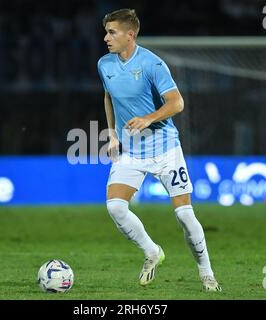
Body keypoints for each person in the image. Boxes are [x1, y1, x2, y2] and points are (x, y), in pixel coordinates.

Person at [97, 9, 221, 291]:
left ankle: (207, 273)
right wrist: (113, 133)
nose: (106, 38)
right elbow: (107, 96)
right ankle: (152, 251)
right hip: (131, 151)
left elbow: (177, 103)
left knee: (185, 216)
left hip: (166, 150)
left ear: (130, 35)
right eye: (106, 32)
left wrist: (148, 118)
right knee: (116, 207)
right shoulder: (104, 64)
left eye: (112, 32)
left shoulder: (153, 64)